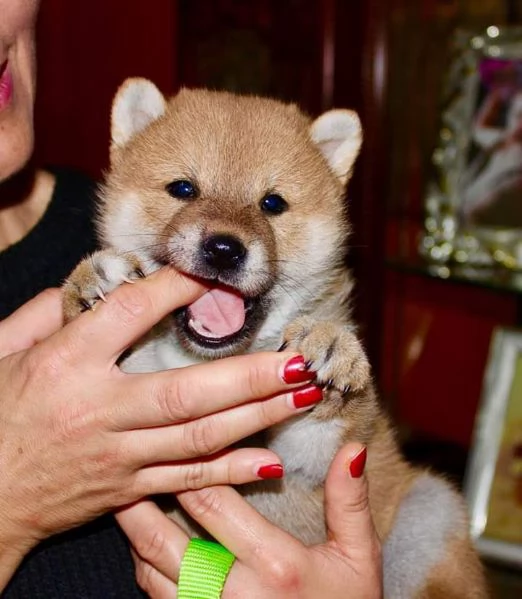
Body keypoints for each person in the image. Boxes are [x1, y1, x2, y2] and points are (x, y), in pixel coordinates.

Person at [0, 1, 382, 597]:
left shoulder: (307, 338)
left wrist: (328, 394)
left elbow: (318, 468)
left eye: (274, 205)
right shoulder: (101, 277)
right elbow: (183, 569)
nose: (227, 233)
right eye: (182, 189)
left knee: (435, 517)